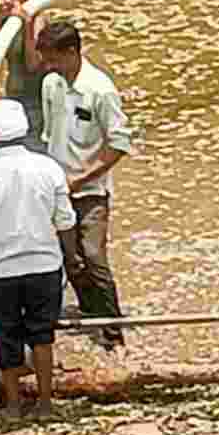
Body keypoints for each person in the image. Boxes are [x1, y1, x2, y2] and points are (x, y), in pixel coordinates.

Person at [0, 99, 78, 421]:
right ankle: (45, 404)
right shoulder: (48, 168)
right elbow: (65, 220)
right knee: (42, 336)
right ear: (24, 131)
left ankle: (13, 407)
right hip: (44, 267)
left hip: (0, 271)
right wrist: (71, 259)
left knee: (7, 338)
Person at [36, 20, 133, 350]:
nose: (49, 66)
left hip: (90, 191)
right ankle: (91, 313)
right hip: (58, 190)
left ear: (72, 52)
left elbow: (119, 144)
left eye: (53, 59)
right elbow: (49, 136)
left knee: (93, 256)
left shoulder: (100, 90)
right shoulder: (51, 84)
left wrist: (80, 179)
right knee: (69, 258)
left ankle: (114, 333)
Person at [0, 0, 48, 151]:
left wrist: (27, 26)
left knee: (33, 147)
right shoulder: (3, 17)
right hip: (13, 94)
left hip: (35, 98)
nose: (0, 3)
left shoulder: (37, 19)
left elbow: (33, 64)